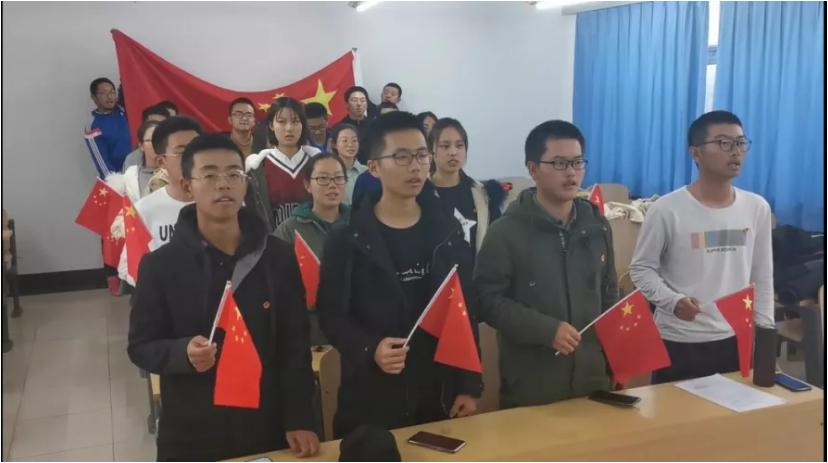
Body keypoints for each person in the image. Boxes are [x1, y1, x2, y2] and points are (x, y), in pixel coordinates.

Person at [128, 133, 320, 461]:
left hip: (267, 422)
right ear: (187, 186)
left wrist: (300, 417)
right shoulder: (160, 265)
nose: (223, 184)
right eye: (209, 175)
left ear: (245, 185)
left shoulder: (277, 256)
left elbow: (295, 344)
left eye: (234, 174)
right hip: (192, 428)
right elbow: (141, 346)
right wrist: (182, 352)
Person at [317, 111, 482, 438]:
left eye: (421, 155)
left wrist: (469, 384)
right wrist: (370, 349)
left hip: (437, 392)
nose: (416, 166)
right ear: (374, 167)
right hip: (371, 395)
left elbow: (463, 310)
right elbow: (331, 316)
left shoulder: (447, 231)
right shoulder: (347, 238)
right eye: (402, 157)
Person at [474, 120, 618, 408]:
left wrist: (616, 360)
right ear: (533, 169)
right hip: (534, 386)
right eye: (560, 163)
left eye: (577, 162)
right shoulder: (506, 232)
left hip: (593, 382)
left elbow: (610, 296)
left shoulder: (597, 225)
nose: (571, 173)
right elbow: (486, 301)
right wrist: (545, 330)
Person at [629, 110, 774, 384]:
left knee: (733, 408)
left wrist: (765, 333)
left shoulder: (756, 207)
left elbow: (762, 275)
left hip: (735, 337)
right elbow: (641, 269)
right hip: (680, 340)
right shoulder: (667, 210)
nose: (736, 151)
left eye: (741, 142)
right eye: (724, 143)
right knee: (675, 411)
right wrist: (672, 301)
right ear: (695, 153)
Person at [274, 153, 351, 346]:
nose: (332, 185)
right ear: (307, 185)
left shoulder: (360, 223)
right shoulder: (289, 230)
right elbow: (276, 285)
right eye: (323, 179)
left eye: (338, 178)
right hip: (311, 336)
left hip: (355, 332)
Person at [117, 116, 202, 286]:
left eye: (197, 150)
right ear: (162, 161)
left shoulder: (222, 203)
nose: (192, 158)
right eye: (181, 152)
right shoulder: (144, 209)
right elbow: (128, 267)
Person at [429, 118, 506, 257]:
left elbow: (498, 241)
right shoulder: (421, 193)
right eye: (445, 146)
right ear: (431, 151)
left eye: (459, 145)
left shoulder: (482, 194)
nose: (453, 152)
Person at [245, 97, 321, 232]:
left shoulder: (317, 163)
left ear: (303, 125)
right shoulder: (258, 167)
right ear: (271, 125)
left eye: (295, 121)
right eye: (281, 121)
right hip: (273, 241)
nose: (289, 128)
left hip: (314, 240)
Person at [84, 77, 132, 177]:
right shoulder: (93, 127)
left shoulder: (122, 108)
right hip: (122, 177)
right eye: (103, 93)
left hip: (141, 171)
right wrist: (115, 182)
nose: (109, 97)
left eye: (112, 92)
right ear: (94, 97)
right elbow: (102, 162)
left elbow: (128, 82)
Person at [108, 120, 161, 204]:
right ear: (141, 146)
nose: (155, 144)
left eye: (159, 139)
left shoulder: (174, 172)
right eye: (150, 140)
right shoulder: (130, 176)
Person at [122, 105, 171, 172]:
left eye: (161, 125)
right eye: (152, 124)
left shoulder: (176, 156)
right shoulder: (132, 159)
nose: (155, 129)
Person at [329, 124, 366, 205]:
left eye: (354, 140)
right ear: (334, 144)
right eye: (345, 140)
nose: (350, 145)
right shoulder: (328, 172)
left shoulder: (366, 171)